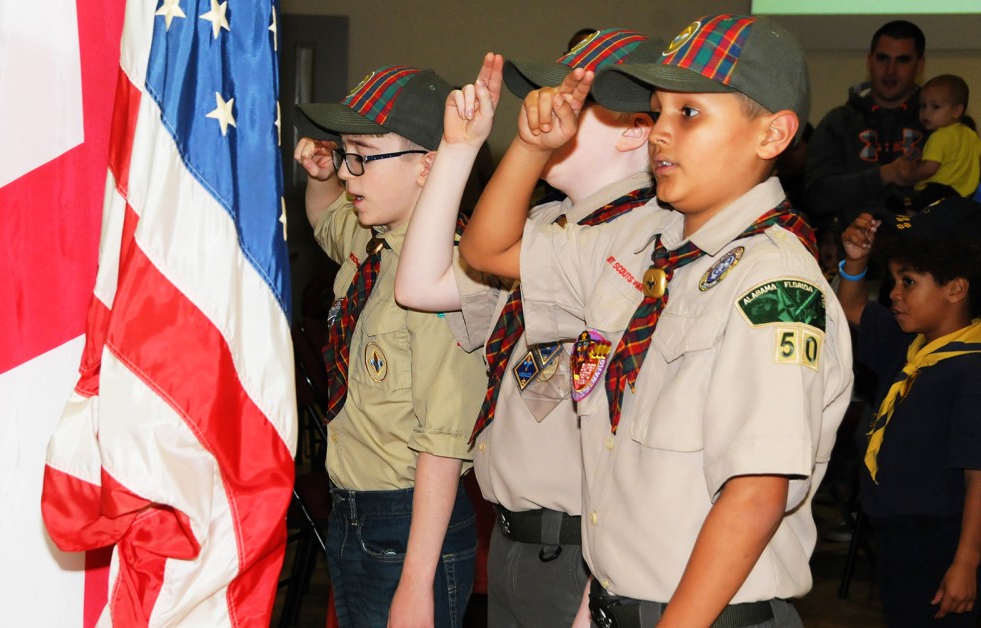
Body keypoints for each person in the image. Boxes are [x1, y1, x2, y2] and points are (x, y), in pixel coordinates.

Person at [459, 14, 854, 626]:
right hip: (621, 604)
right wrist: (536, 148)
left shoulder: (775, 287)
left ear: (772, 133)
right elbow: (487, 252)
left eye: (689, 113)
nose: (660, 134)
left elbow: (754, 494)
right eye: (659, 111)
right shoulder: (643, 244)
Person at [394, 29, 660, 626]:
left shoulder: (649, 240)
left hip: (585, 553)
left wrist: (600, 590)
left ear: (636, 128)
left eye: (572, 99)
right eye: (544, 93)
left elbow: (633, 433)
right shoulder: (543, 223)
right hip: (517, 541)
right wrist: (459, 150)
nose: (545, 108)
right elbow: (418, 286)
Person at [292, 66, 488, 627]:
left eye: (363, 154)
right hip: (353, 510)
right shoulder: (374, 240)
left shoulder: (445, 276)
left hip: (406, 522)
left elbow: (444, 443)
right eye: (344, 151)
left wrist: (417, 583)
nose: (351, 172)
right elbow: (326, 221)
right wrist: (324, 175)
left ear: (429, 165)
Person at [837, 199, 981, 627]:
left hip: (944, 541)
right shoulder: (912, 346)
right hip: (897, 536)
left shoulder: (970, 369)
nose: (894, 294)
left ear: (956, 289)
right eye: (895, 280)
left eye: (909, 282)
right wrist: (854, 262)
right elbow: (852, 306)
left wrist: (967, 563)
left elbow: (977, 473)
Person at [806, 20, 928, 226]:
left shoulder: (941, 124)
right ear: (869, 61)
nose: (890, 70)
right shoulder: (840, 122)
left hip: (925, 253)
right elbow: (816, 196)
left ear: (920, 65)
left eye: (902, 60)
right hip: (852, 253)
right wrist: (882, 176)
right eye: (882, 59)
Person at [890, 74, 981, 212]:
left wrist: (910, 175)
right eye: (923, 106)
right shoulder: (971, 135)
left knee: (920, 201)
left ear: (956, 110)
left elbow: (930, 168)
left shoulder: (940, 136)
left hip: (939, 190)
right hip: (965, 195)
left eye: (935, 107)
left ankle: (907, 203)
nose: (926, 113)